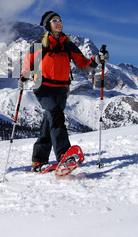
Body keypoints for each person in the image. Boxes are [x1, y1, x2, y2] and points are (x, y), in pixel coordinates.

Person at [19, 11, 109, 172]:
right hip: (42, 87)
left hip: (62, 88)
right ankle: (64, 155)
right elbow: (29, 63)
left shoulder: (67, 44)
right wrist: (24, 77)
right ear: (48, 25)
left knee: (49, 121)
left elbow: (83, 63)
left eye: (60, 20)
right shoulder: (40, 44)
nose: (59, 23)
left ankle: (38, 161)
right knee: (56, 115)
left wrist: (97, 59)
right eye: (54, 20)